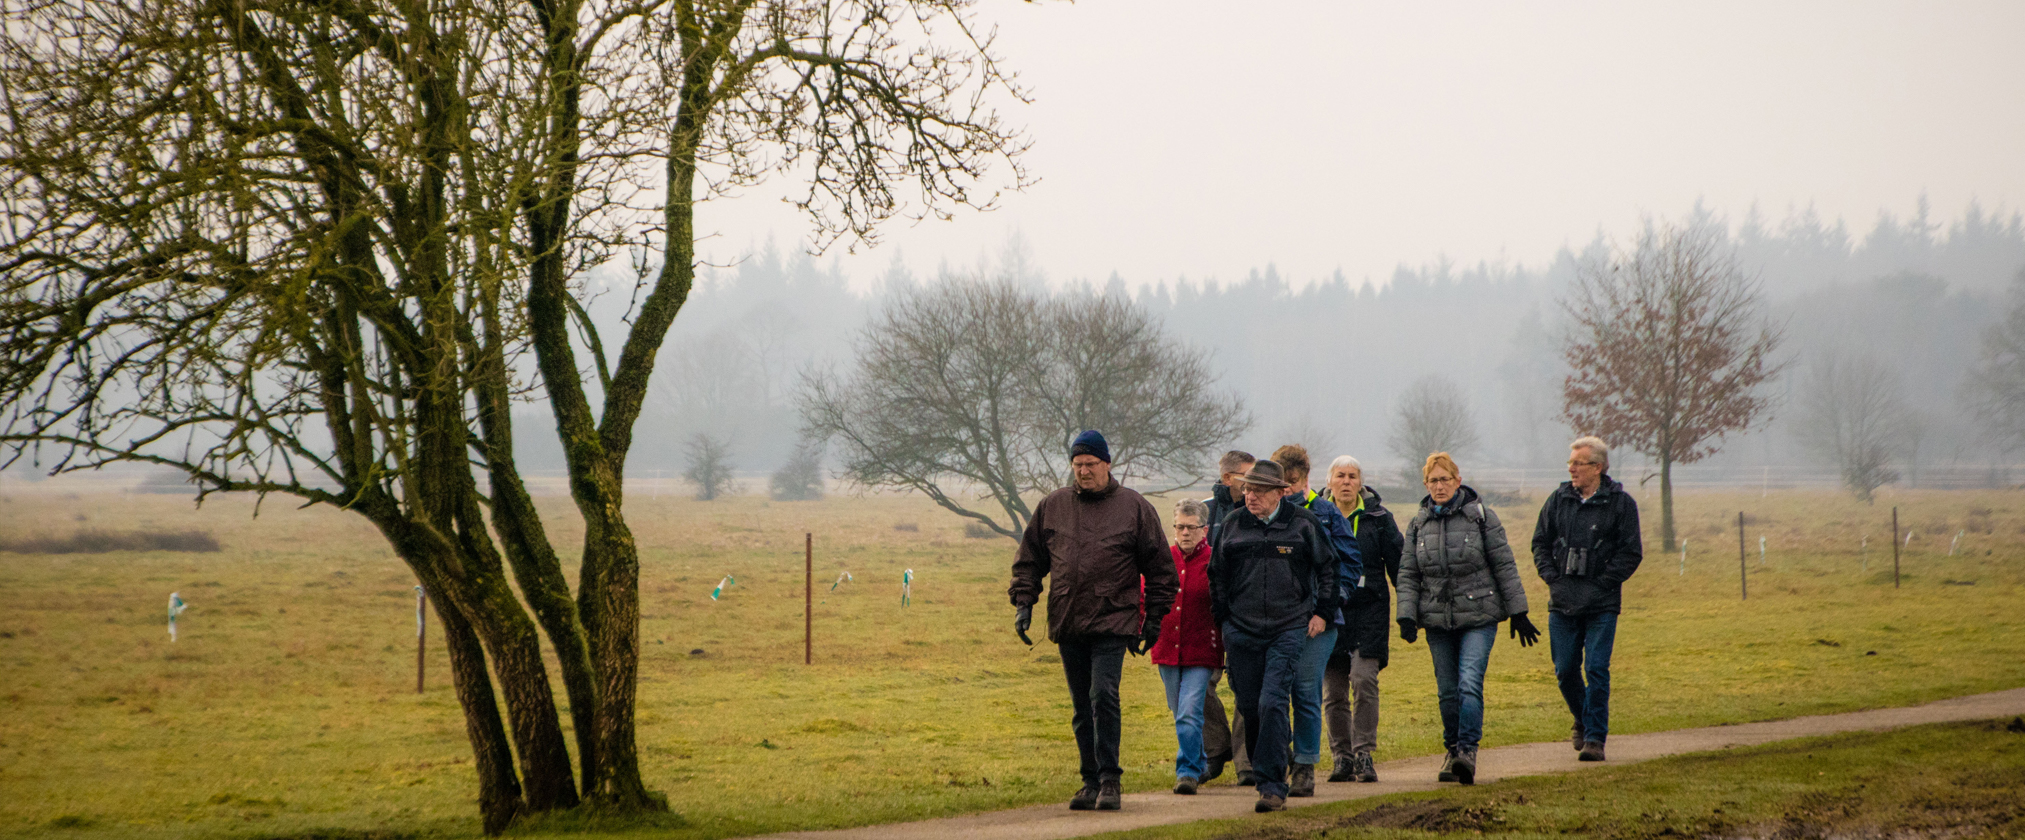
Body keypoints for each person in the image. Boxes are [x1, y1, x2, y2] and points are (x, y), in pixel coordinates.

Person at [1010, 430, 1178, 811]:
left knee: (1104, 695)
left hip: (1113, 620)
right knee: (1080, 706)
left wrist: (1153, 620)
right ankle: (1088, 780)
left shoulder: (1134, 507)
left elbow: (1160, 570)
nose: (1084, 471)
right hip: (1068, 620)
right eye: (1077, 465)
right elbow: (1030, 560)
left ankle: (1110, 780)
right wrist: (1024, 603)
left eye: (1090, 464)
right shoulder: (1053, 506)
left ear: (1107, 464)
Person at [1396, 452, 1539, 786]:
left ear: (1458, 481)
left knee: (1468, 683)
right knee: (1447, 691)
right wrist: (1406, 615)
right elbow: (1407, 573)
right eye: (1433, 480)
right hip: (1436, 618)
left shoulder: (1481, 518)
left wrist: (1518, 611)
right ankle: (1452, 749)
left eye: (1445, 479)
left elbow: (1504, 564)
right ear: (1426, 484)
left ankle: (1468, 752)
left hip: (1479, 615)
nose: (1440, 486)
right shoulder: (1418, 523)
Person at [1209, 459, 1339, 813]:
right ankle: (1277, 755)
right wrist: (1224, 620)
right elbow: (1216, 574)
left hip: (1288, 628)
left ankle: (1271, 786)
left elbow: (1329, 567)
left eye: (1259, 490)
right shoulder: (1233, 524)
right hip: (1241, 630)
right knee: (1250, 707)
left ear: (1281, 493)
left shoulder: (1303, 524)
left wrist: (1322, 612)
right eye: (1247, 489)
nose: (1250, 496)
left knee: (1273, 702)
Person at [1530, 436, 1643, 763]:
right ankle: (1582, 716)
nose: (1571, 468)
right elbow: (1540, 543)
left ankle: (1595, 738)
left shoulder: (1621, 504)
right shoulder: (1558, 500)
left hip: (1602, 604)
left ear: (1598, 467)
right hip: (1562, 602)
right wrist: (1552, 578)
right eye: (1570, 463)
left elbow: (1631, 553)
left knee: (1596, 668)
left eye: (1578, 463)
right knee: (1565, 670)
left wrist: (1604, 583)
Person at [1268, 444, 1362, 796]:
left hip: (1317, 622)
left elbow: (1350, 562)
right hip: (1275, 620)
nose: (1287, 490)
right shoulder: (1266, 513)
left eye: (1292, 482)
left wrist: (1328, 604)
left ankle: (1305, 765)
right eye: (1282, 483)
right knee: (1272, 694)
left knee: (1306, 690)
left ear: (1306, 479)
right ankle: (1280, 759)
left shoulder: (1326, 513)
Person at [1321, 455, 1404, 783]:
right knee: (1334, 690)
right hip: (1330, 612)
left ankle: (1363, 754)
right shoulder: (1315, 517)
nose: (1346, 481)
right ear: (1329, 482)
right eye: (1340, 475)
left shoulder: (1379, 518)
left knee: (1364, 679)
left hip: (1370, 612)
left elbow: (1399, 565)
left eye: (1352, 476)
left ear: (1361, 482)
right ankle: (1341, 757)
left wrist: (1410, 609)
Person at [1148, 499, 1223, 795]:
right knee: (1178, 709)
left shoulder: (1215, 562)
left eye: (1191, 527)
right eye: (1180, 527)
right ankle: (1200, 761)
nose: (1185, 533)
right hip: (1167, 648)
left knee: (1189, 711)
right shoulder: (1162, 561)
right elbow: (1147, 596)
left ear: (1204, 530)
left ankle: (1187, 771)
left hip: (1201, 649)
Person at [1199, 449, 1254, 782]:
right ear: (1228, 478)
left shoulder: (1259, 509)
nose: (1253, 483)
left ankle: (1246, 759)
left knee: (1245, 682)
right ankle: (1216, 747)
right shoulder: (1205, 510)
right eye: (1247, 475)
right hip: (1206, 610)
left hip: (1246, 611)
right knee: (1200, 683)